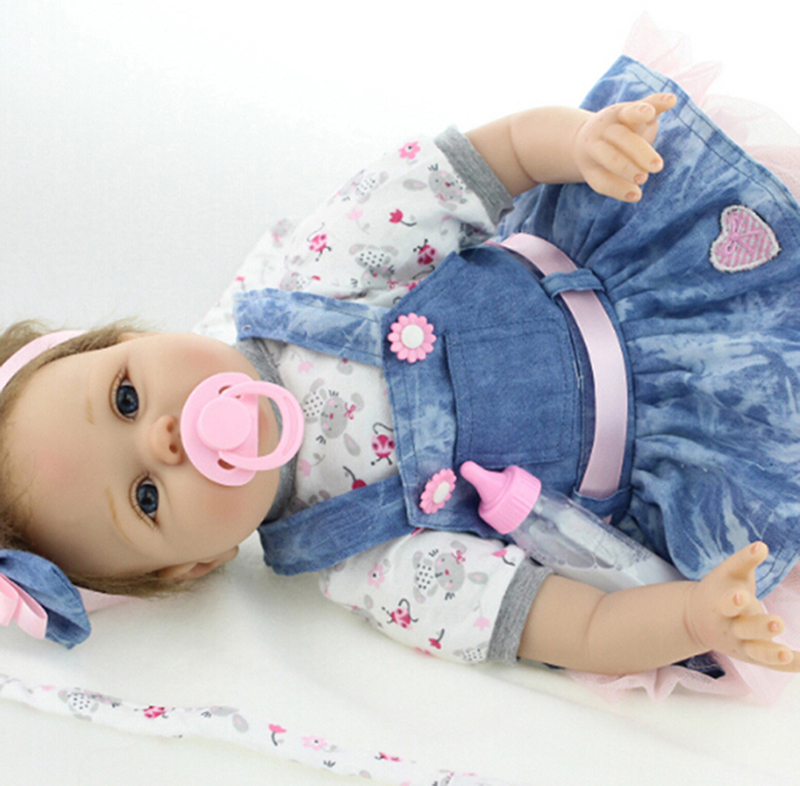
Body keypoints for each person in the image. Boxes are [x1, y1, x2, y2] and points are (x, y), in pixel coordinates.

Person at [2, 55, 799, 684]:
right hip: (694, 444)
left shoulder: (314, 273)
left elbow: (489, 159)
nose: (166, 438)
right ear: (197, 564)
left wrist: (581, 142)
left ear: (129, 337)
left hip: (643, 277)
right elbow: (575, 625)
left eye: (126, 397)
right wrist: (691, 618)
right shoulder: (367, 563)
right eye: (145, 497)